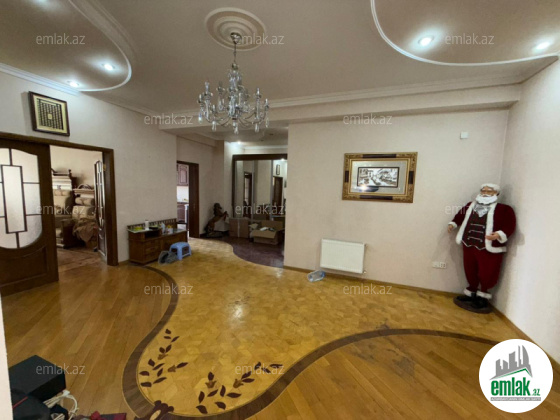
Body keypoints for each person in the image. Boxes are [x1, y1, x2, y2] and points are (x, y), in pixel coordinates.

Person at [448, 184, 516, 310]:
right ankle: (471, 292)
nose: (485, 193)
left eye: (489, 191)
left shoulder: (504, 209)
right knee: (469, 269)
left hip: (488, 247)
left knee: (487, 272)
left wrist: (499, 234)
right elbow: (460, 216)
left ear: (496, 193)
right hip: (469, 244)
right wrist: (453, 224)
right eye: (483, 190)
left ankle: (483, 296)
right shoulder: (470, 205)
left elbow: (509, 225)